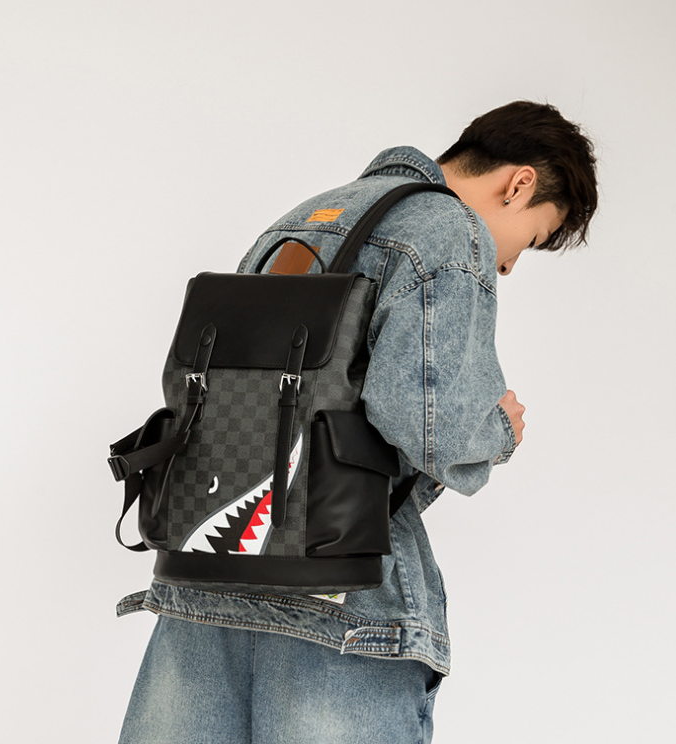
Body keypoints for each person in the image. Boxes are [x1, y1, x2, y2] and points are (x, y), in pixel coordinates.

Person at [115, 101, 599, 744]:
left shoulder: (305, 216)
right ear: (519, 184)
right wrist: (499, 429)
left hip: (211, 573)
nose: (507, 264)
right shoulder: (449, 231)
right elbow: (431, 427)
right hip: (340, 589)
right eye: (530, 239)